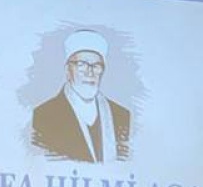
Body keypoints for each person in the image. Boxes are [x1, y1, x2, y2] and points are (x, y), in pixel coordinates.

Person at [30, 29, 132, 163]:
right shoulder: (43, 116)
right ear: (68, 70)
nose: (90, 72)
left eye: (96, 66)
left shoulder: (121, 116)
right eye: (81, 64)